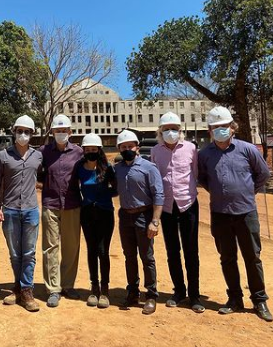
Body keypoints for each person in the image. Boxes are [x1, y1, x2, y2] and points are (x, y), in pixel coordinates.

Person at [198, 106, 273, 322]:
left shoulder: (248, 149)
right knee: (227, 258)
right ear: (209, 130)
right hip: (220, 214)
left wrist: (248, 192)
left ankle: (259, 300)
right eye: (215, 127)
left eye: (224, 126)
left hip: (246, 213)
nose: (220, 130)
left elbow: (263, 174)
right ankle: (234, 299)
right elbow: (203, 178)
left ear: (232, 127)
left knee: (252, 257)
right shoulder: (204, 155)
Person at [151, 112, 204, 313]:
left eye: (174, 128)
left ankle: (195, 295)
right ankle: (179, 291)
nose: (171, 132)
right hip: (166, 207)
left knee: (191, 250)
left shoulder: (191, 148)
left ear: (180, 131)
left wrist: (188, 191)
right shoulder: (156, 150)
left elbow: (196, 173)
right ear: (160, 131)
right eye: (166, 129)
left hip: (188, 204)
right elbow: (156, 176)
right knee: (173, 250)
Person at [0, 115, 43, 312]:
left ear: (32, 134)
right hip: (10, 210)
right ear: (14, 133)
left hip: (31, 210)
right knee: (15, 254)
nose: (23, 134)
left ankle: (26, 290)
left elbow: (44, 176)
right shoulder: (3, 156)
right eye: (19, 131)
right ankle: (18, 287)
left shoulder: (37, 156)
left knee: (29, 253)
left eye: (27, 131)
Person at [114, 129, 164, 315]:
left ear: (137, 147)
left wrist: (155, 221)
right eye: (124, 146)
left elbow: (158, 194)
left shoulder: (149, 167)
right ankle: (133, 292)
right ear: (119, 148)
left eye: (130, 146)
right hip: (125, 216)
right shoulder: (117, 169)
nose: (127, 149)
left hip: (144, 216)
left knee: (147, 256)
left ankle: (151, 295)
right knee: (129, 256)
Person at [39, 114, 83, 308]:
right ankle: (53, 289)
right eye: (57, 131)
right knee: (50, 248)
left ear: (70, 132)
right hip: (50, 204)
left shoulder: (79, 152)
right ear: (52, 132)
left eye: (64, 130)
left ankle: (67, 284)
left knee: (71, 246)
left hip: (73, 204)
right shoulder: (44, 152)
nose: (61, 133)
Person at [76, 133, 116, 308]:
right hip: (87, 214)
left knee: (102, 251)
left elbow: (116, 190)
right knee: (91, 250)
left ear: (99, 150)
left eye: (94, 149)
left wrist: (103, 197)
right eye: (88, 149)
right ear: (84, 151)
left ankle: (105, 290)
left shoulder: (107, 168)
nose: (91, 152)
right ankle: (94, 288)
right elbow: (74, 187)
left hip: (105, 213)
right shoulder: (79, 168)